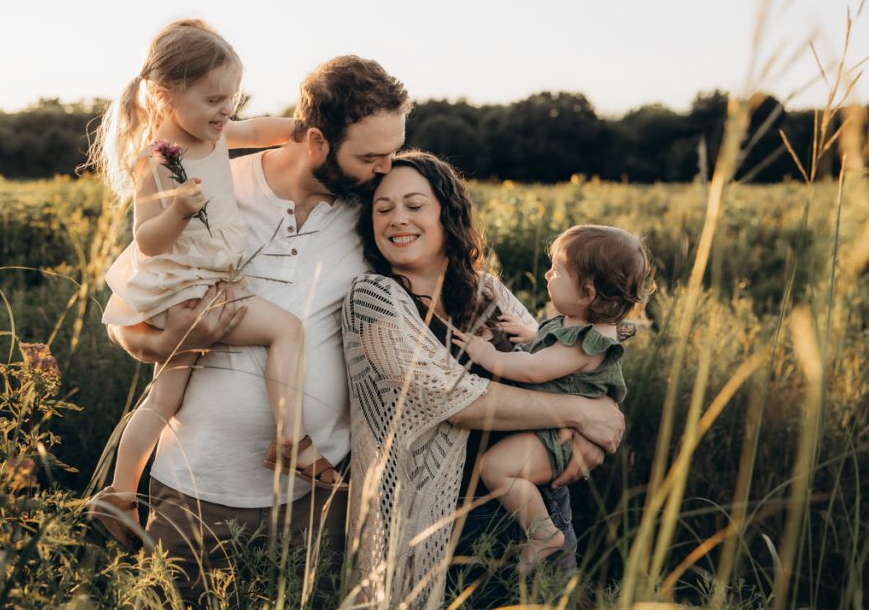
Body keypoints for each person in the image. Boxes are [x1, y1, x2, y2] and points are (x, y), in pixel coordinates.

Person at [105, 54, 410, 605]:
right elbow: (129, 318)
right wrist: (170, 341)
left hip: (313, 501)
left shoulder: (377, 213)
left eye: (391, 152)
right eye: (370, 155)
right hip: (195, 494)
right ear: (316, 141)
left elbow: (452, 282)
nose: (386, 168)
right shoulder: (209, 182)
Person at [84, 20, 347, 552]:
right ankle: (291, 440)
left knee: (165, 399)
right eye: (213, 99)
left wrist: (312, 131)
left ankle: (119, 492)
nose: (226, 110)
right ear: (165, 94)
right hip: (190, 288)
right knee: (287, 331)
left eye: (232, 98)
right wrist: (178, 211)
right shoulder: (158, 161)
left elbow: (263, 130)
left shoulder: (219, 132)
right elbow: (148, 241)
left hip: (210, 282)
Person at [342, 152, 625, 608]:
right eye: (383, 208)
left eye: (414, 206)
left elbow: (561, 370)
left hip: (541, 510)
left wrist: (597, 428)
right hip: (445, 527)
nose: (398, 219)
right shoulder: (373, 298)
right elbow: (455, 399)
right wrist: (583, 414)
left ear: (446, 214)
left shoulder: (486, 291)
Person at [453, 224, 650, 565]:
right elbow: (552, 341)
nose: (548, 274)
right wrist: (529, 332)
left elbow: (534, 370)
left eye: (557, 270)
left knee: (497, 467)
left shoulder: (589, 342)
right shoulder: (574, 323)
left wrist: (486, 355)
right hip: (550, 426)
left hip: (553, 436)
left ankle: (542, 531)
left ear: (588, 292)